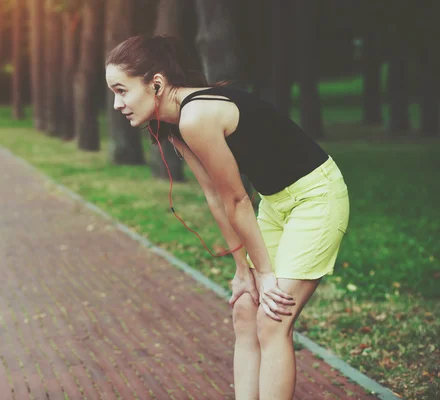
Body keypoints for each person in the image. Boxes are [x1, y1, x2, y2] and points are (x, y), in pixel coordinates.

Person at [105, 35, 350, 400]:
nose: (116, 103)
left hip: (316, 197)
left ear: (155, 83)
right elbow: (215, 196)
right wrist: (242, 270)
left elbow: (237, 198)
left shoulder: (197, 116)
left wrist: (265, 273)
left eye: (122, 90)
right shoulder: (174, 126)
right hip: (275, 203)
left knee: (273, 318)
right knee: (245, 310)